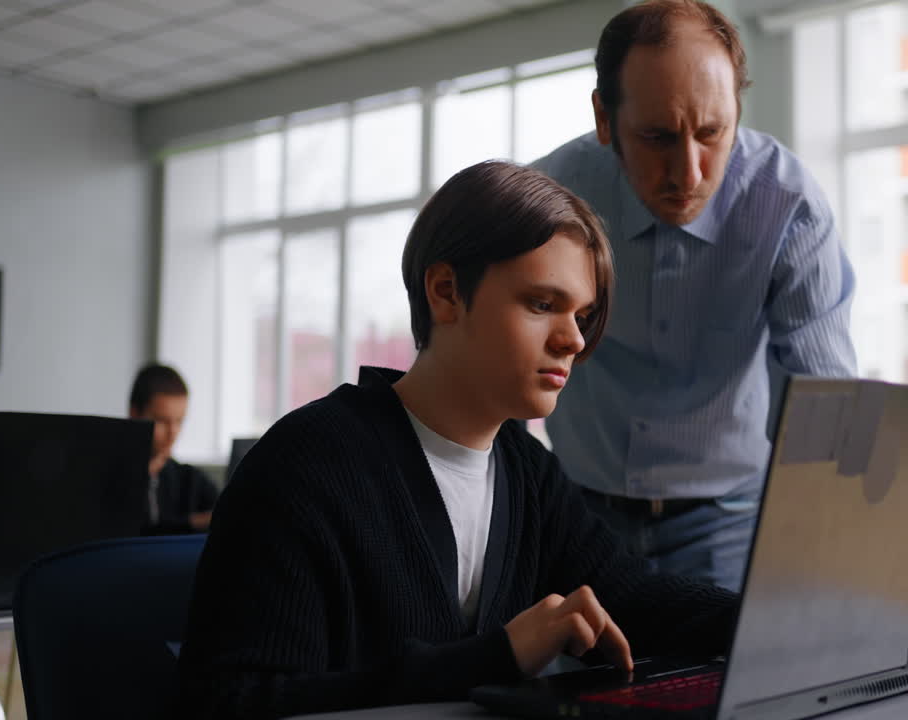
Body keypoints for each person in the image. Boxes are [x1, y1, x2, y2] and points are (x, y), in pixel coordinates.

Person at [176, 161, 740, 720]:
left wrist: (780, 621)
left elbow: (635, 597)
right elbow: (231, 702)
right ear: (446, 293)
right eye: (542, 304)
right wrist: (497, 657)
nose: (573, 339)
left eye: (582, 314)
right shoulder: (303, 465)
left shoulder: (528, 471)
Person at [533, 0, 856, 591]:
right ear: (605, 119)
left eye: (712, 133)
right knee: (570, 684)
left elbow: (827, 402)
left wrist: (859, 580)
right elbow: (495, 368)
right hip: (578, 514)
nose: (688, 173)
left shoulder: (786, 202)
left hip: (728, 518)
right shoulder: (551, 199)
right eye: (657, 137)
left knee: (720, 683)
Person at [128, 363, 218, 534]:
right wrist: (192, 523)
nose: (173, 433)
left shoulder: (191, 480)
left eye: (179, 421)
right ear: (134, 414)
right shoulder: (108, 480)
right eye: (162, 421)